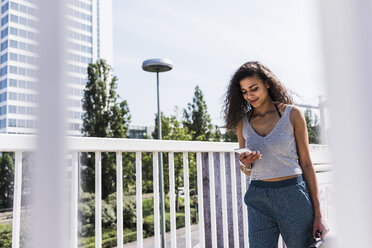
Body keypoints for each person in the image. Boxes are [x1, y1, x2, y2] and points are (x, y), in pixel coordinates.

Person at [223, 61, 329, 247]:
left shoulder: (292, 114)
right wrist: (246, 163)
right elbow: (246, 169)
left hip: (293, 195)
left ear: (267, 83)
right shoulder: (242, 123)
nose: (249, 95)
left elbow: (306, 164)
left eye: (254, 88)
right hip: (258, 196)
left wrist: (319, 215)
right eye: (244, 91)